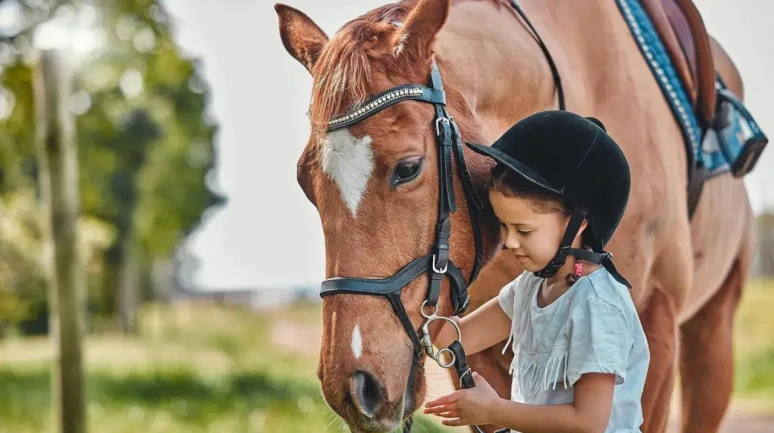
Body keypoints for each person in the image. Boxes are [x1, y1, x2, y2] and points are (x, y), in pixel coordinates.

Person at [424, 110, 650, 433]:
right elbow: (457, 336)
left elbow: (588, 423)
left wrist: (493, 410)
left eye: (524, 230)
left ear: (577, 224)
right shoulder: (530, 288)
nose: (509, 242)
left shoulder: (598, 305)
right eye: (503, 226)